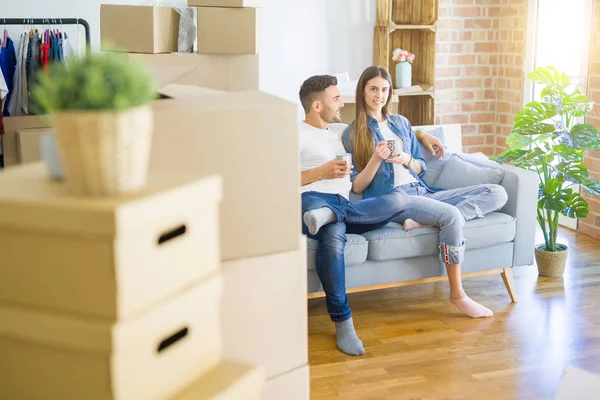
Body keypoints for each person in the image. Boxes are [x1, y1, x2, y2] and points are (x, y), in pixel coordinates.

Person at [342, 66, 509, 319]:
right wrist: (376, 159)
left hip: (422, 192)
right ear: (363, 92)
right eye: (373, 89)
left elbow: (420, 167)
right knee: (451, 216)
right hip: (396, 199)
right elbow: (357, 187)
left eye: (385, 90)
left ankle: (421, 222)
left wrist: (407, 158)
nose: (380, 95)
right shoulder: (353, 132)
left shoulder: (401, 123)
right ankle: (458, 295)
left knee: (497, 193)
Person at [298, 75, 444, 355]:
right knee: (331, 239)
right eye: (336, 98)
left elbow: (395, 130)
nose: (342, 103)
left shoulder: (339, 132)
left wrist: (422, 135)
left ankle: (334, 214)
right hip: (313, 200)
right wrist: (321, 172)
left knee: (398, 199)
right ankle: (343, 323)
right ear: (317, 106)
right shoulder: (295, 134)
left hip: (342, 203)